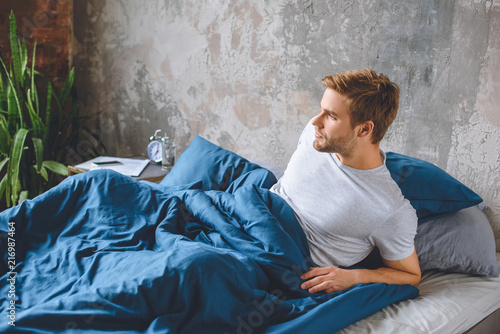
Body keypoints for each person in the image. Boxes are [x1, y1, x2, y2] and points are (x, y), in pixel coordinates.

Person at [270, 69, 421, 294]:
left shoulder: (389, 209)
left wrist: (355, 276)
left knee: (203, 269)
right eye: (321, 110)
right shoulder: (317, 135)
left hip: (279, 260)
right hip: (251, 220)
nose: (315, 121)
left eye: (330, 116)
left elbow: (411, 275)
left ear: (365, 129)